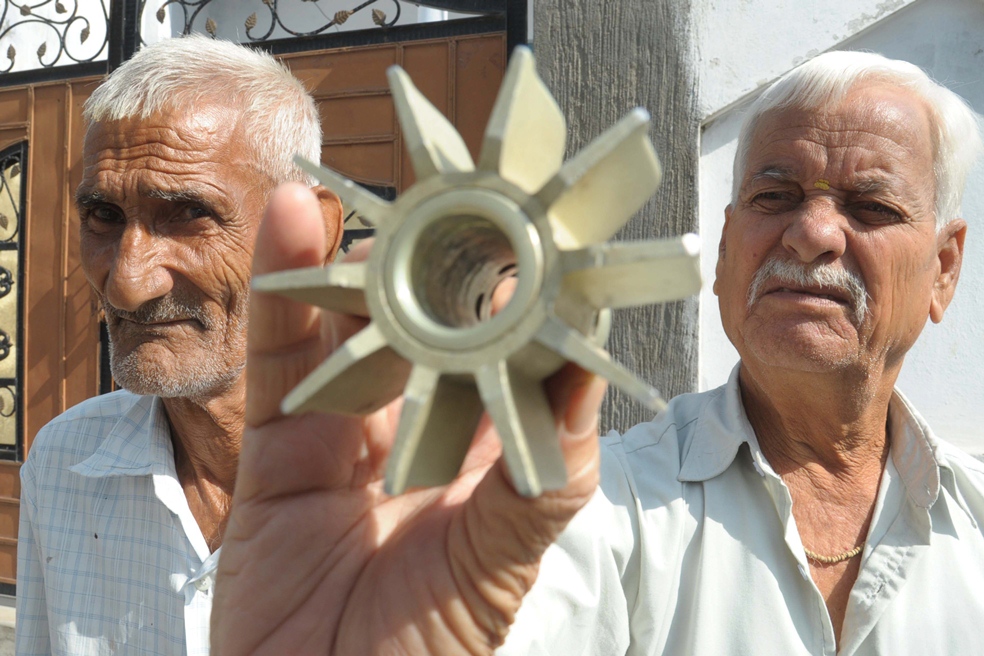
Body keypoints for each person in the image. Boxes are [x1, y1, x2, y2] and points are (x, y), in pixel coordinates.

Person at [211, 50, 984, 654]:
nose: (812, 234)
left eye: (870, 205)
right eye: (773, 197)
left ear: (943, 270)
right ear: (721, 255)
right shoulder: (591, 508)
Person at [15, 35, 343, 655]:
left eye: (189, 213)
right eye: (104, 217)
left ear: (308, 236)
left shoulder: (457, 494)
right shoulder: (65, 466)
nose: (128, 281)